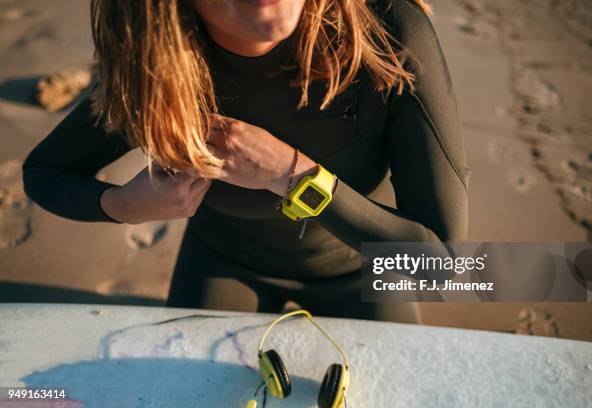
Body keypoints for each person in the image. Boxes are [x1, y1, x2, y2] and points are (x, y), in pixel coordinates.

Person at [22, 0, 469, 324]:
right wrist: (127, 205)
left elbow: (443, 264)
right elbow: (43, 174)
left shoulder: (386, 29)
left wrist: (294, 176)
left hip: (363, 268)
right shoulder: (157, 64)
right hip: (225, 260)